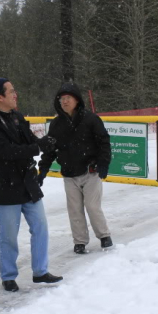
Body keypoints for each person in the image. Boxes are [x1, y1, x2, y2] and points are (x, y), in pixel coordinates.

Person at [0, 77, 63, 292]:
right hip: (6, 186)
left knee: (41, 227)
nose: (15, 94)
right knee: (8, 235)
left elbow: (28, 143)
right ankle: (8, 276)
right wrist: (36, 149)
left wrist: (44, 143)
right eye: (11, 91)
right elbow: (7, 152)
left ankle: (40, 271)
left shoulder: (18, 117)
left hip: (28, 183)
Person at [38, 83, 113, 254]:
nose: (64, 102)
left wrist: (103, 163)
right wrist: (42, 170)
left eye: (68, 98)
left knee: (92, 206)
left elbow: (104, 142)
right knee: (74, 209)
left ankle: (104, 236)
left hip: (90, 171)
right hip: (69, 173)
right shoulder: (56, 125)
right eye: (62, 99)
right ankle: (80, 241)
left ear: (77, 100)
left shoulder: (91, 119)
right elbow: (50, 149)